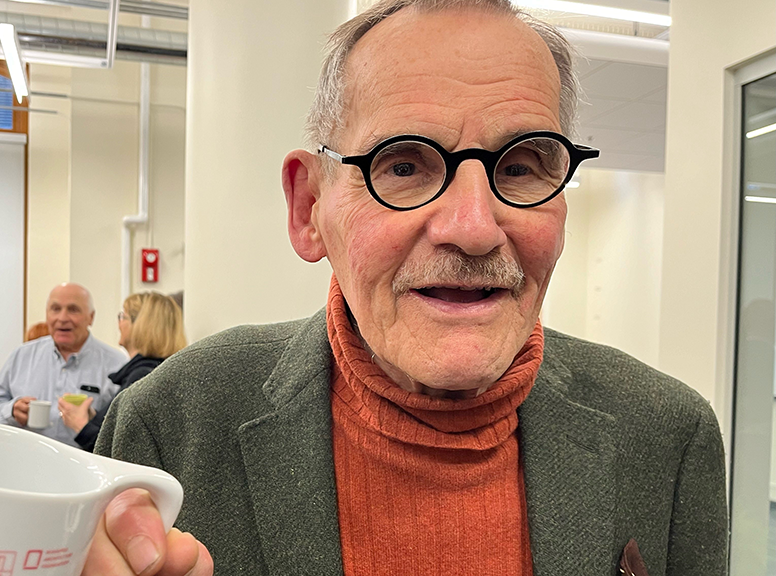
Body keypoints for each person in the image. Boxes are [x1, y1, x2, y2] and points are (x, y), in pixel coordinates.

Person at [84, 1, 729, 575]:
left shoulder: (668, 437)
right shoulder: (173, 425)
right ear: (309, 208)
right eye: (402, 165)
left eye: (520, 166)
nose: (473, 228)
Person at [0, 283, 127, 446]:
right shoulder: (21, 356)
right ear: (47, 314)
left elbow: (123, 432)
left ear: (91, 317)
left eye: (73, 310)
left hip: (83, 461)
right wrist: (11, 411)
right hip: (26, 458)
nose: (62, 318)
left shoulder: (117, 365)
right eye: (55, 309)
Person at [59, 292, 186, 450]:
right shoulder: (158, 371)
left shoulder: (142, 377)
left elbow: (121, 447)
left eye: (123, 317)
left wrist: (81, 425)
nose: (119, 324)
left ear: (140, 325)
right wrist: (94, 418)